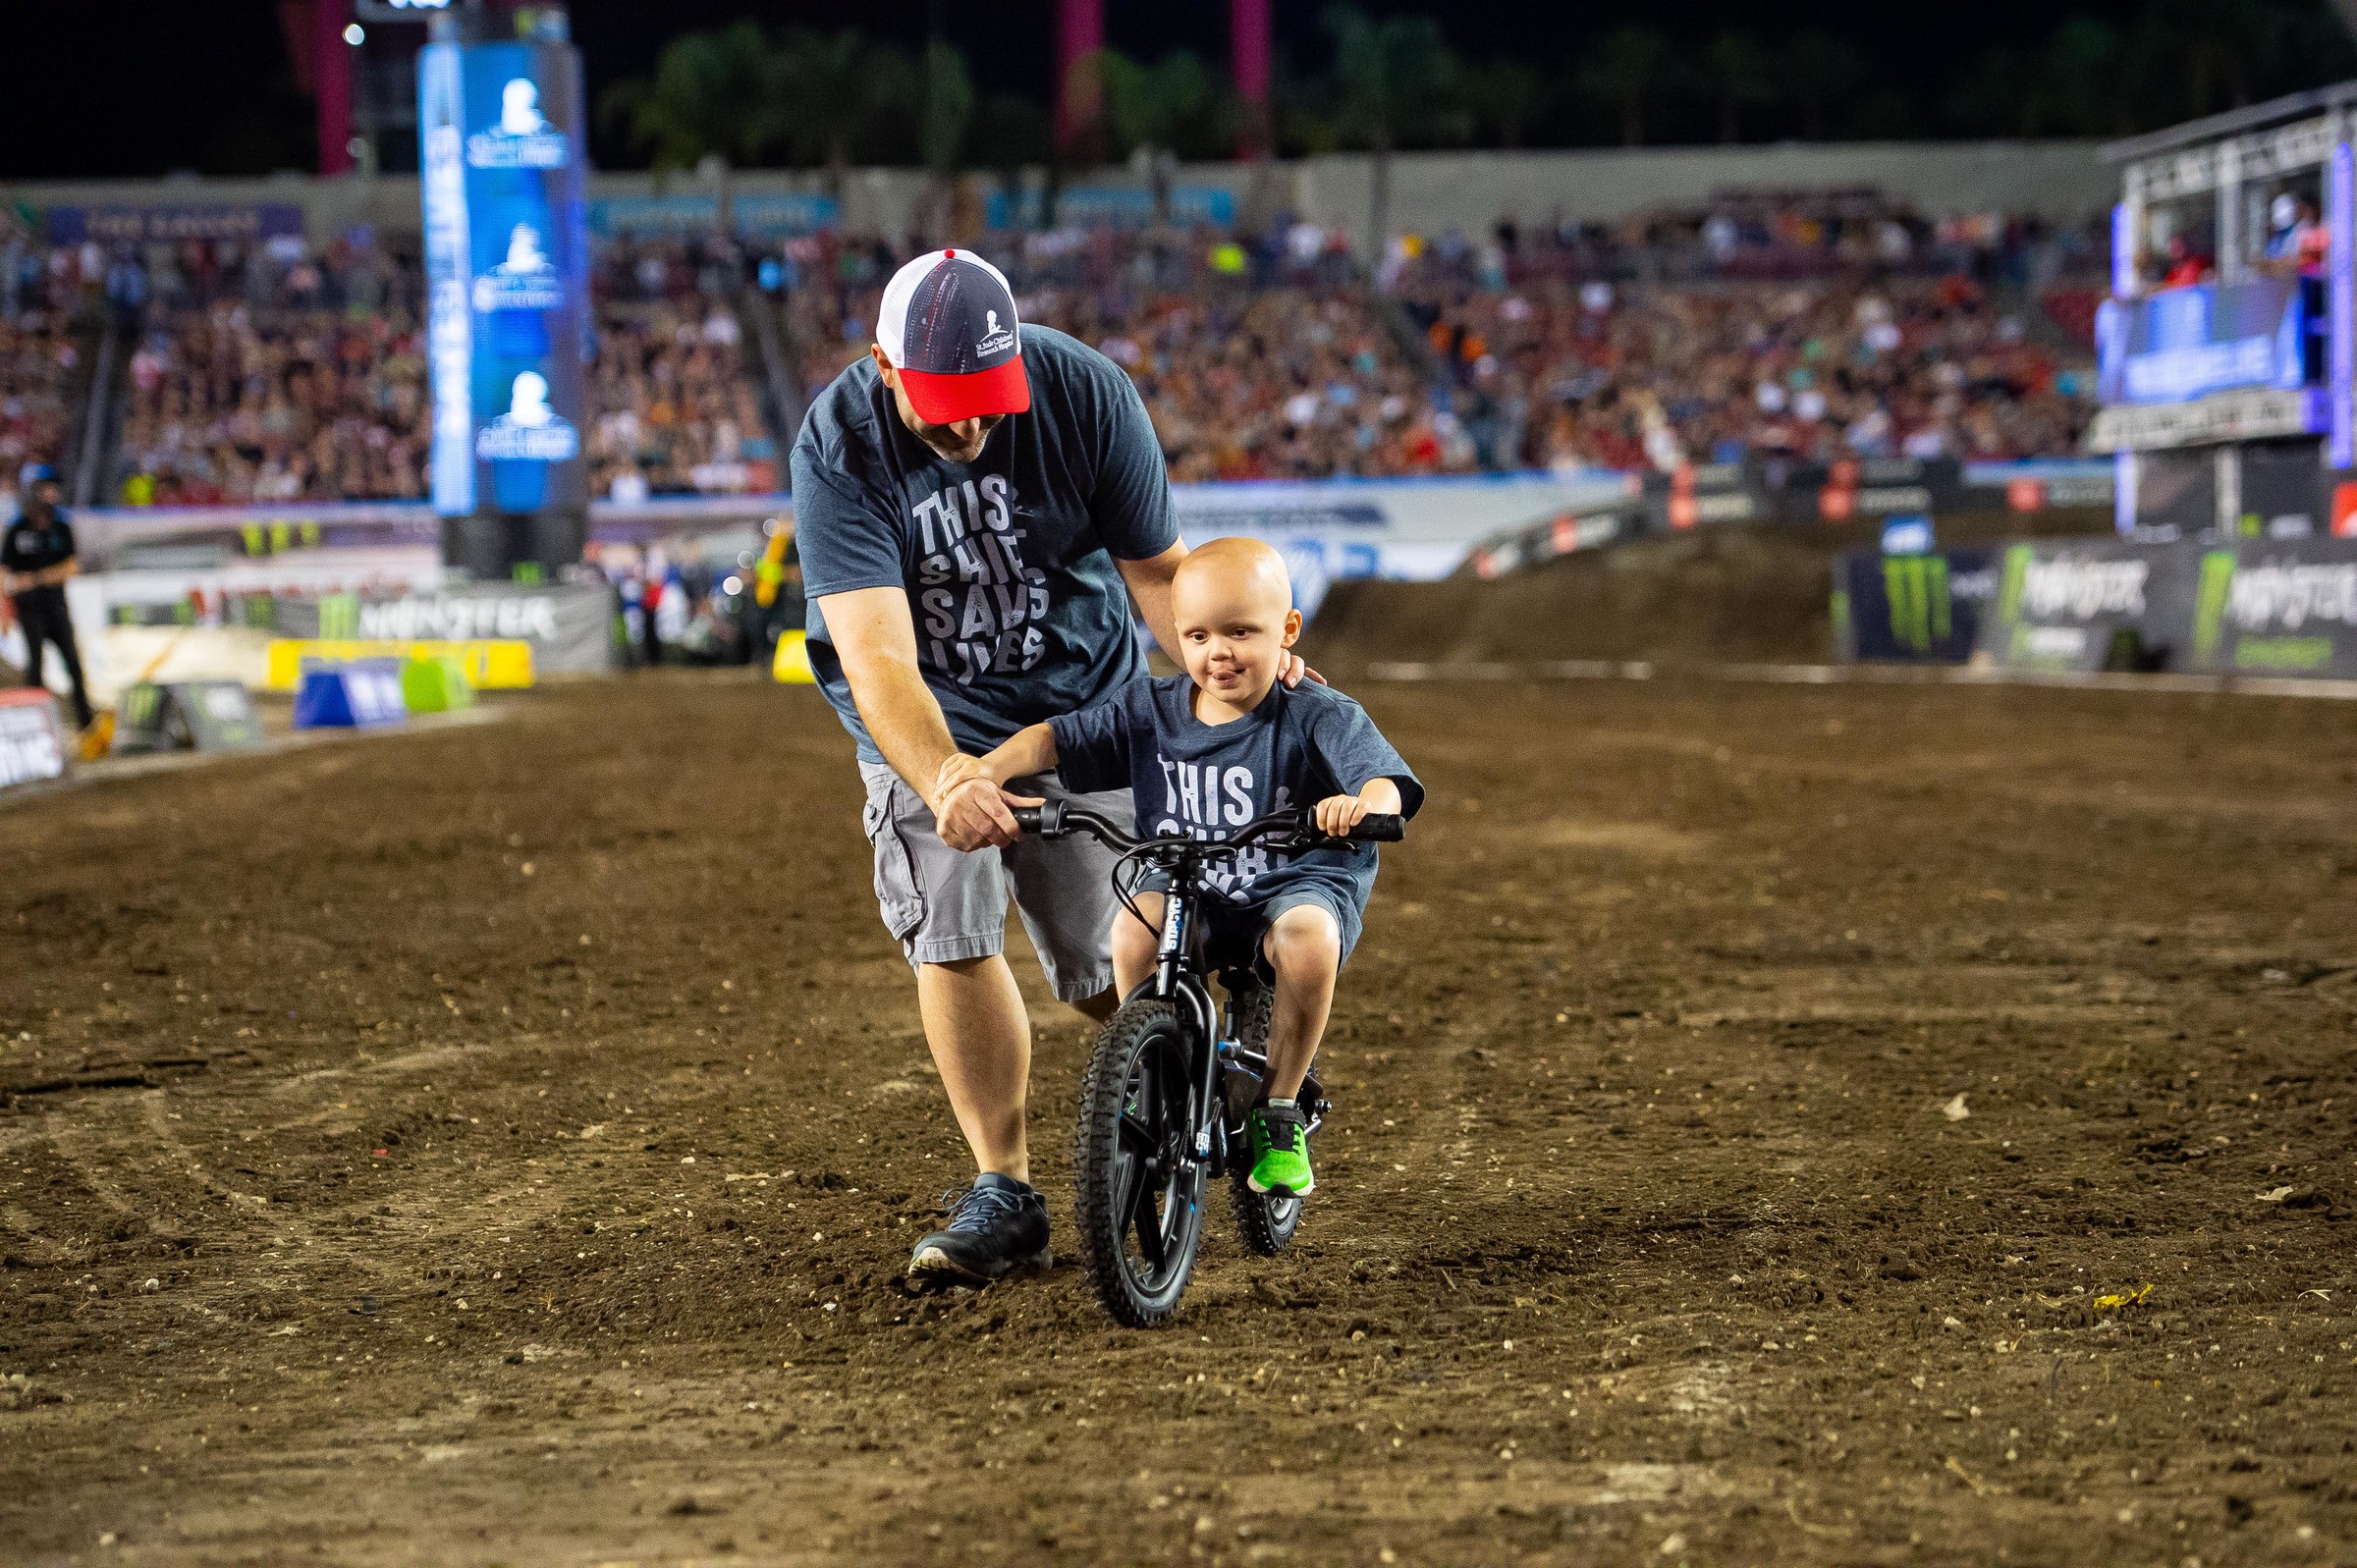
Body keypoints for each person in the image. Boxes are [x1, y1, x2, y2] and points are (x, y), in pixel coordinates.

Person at [791, 248, 1312, 1287]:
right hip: (929, 719)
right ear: (885, 370)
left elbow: (1160, 574)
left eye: (986, 404)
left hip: (1089, 704)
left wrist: (1232, 694)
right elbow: (880, 656)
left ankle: (1222, 1073)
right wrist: (944, 777)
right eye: (942, 409)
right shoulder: (840, 446)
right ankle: (1005, 1188)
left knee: (1107, 964)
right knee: (950, 921)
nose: (970, 430)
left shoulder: (1083, 394)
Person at [954, 537, 1423, 1197]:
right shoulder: (1153, 710)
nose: (1218, 652)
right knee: (1132, 930)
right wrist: (988, 768)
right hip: (1187, 879)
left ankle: (1279, 1110)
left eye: (1241, 631)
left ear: (1287, 630)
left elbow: (1385, 779)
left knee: (1309, 941)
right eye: (1198, 635)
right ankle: (1160, 1065)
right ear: (1174, 634)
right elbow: (1056, 738)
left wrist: (1360, 805)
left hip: (1292, 880)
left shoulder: (1316, 712)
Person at [2, 463, 94, 730]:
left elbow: (71, 567)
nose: (53, 493)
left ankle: (86, 725)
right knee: (35, 669)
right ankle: (36, 728)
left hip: (56, 608)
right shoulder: (17, 530)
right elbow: (3, 572)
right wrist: (4, 609)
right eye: (47, 488)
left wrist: (35, 579)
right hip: (29, 611)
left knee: (74, 666)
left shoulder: (61, 527)